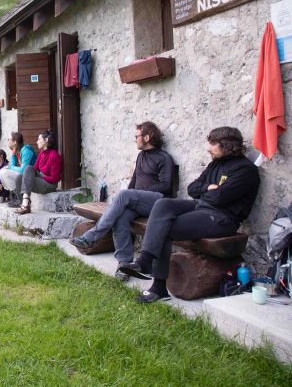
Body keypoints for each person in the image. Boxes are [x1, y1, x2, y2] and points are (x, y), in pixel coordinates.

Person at [119, 127, 260, 303]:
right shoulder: (215, 164)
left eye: (213, 143)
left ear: (226, 145)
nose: (209, 148)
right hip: (201, 207)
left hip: (222, 218)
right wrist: (208, 187)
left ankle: (158, 288)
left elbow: (219, 198)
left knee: (165, 227)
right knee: (163, 204)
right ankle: (145, 260)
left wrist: (207, 192)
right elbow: (192, 188)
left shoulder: (245, 170)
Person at [69, 121, 175, 281]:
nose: (135, 139)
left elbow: (166, 186)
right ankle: (124, 265)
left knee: (125, 194)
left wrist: (134, 193)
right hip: (139, 202)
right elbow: (134, 181)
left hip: (158, 202)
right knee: (121, 218)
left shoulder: (164, 158)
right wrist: (132, 194)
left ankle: (91, 237)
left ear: (147, 137)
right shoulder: (141, 156)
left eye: (137, 136)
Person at [15, 130, 63, 214]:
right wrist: (34, 176)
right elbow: (34, 169)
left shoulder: (54, 155)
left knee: (28, 169)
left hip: (50, 185)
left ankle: (26, 202)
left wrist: (41, 176)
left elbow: (55, 179)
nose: (37, 142)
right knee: (19, 178)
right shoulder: (42, 153)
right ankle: (23, 204)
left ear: (46, 140)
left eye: (39, 139)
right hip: (42, 180)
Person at [0, 132, 37, 207]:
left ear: (14, 142)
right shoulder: (17, 152)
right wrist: (13, 154)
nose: (7, 141)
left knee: (5, 172)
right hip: (23, 177)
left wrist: (10, 167)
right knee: (2, 171)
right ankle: (17, 196)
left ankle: (20, 198)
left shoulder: (26, 151)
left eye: (9, 139)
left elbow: (23, 170)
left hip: (31, 177)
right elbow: (13, 166)